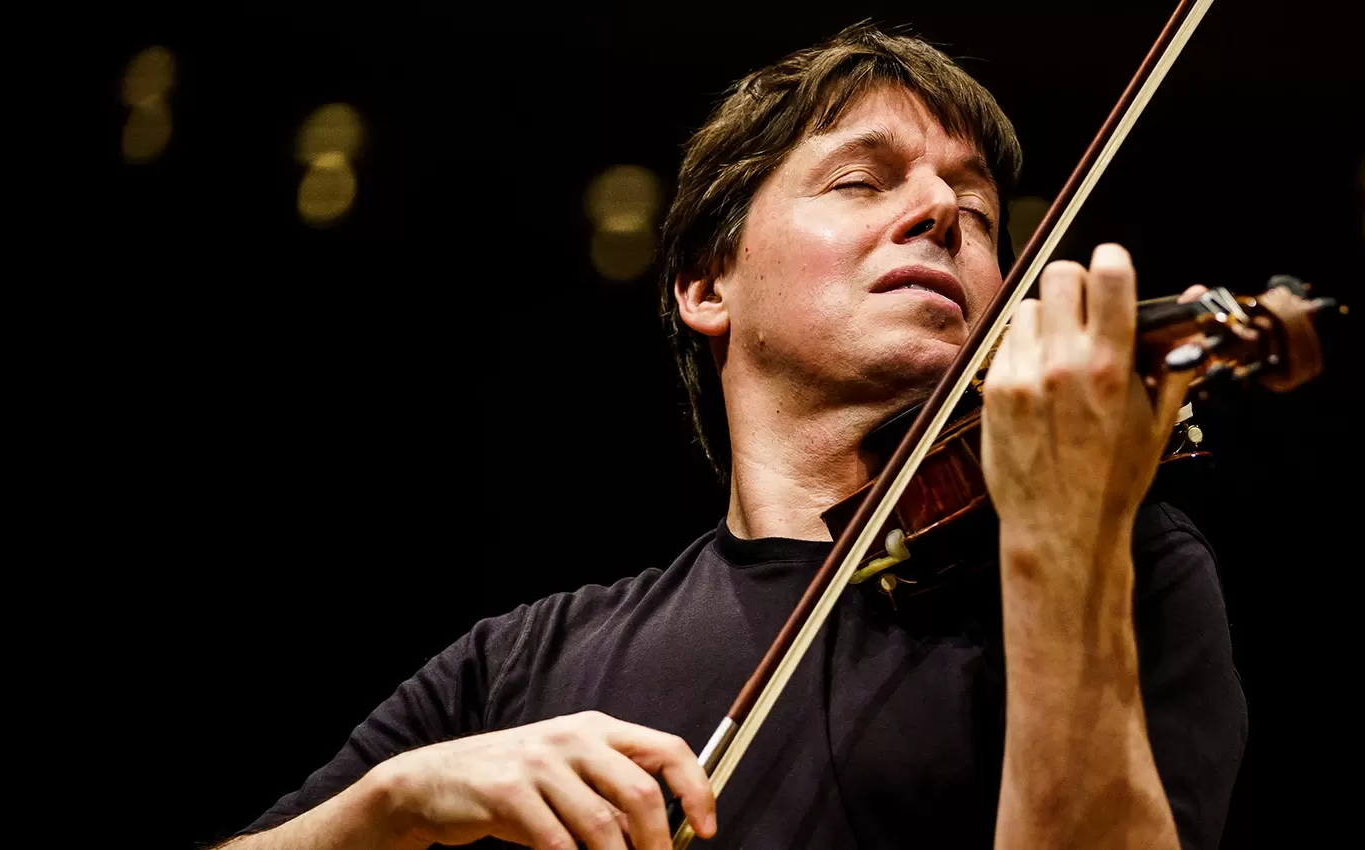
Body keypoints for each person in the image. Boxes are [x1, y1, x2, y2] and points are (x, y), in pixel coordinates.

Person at [220, 21, 1247, 850]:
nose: (940, 209)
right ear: (706, 285)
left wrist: (1063, 551)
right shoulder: (524, 663)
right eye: (861, 180)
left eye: (977, 210)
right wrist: (388, 805)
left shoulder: (1125, 562)